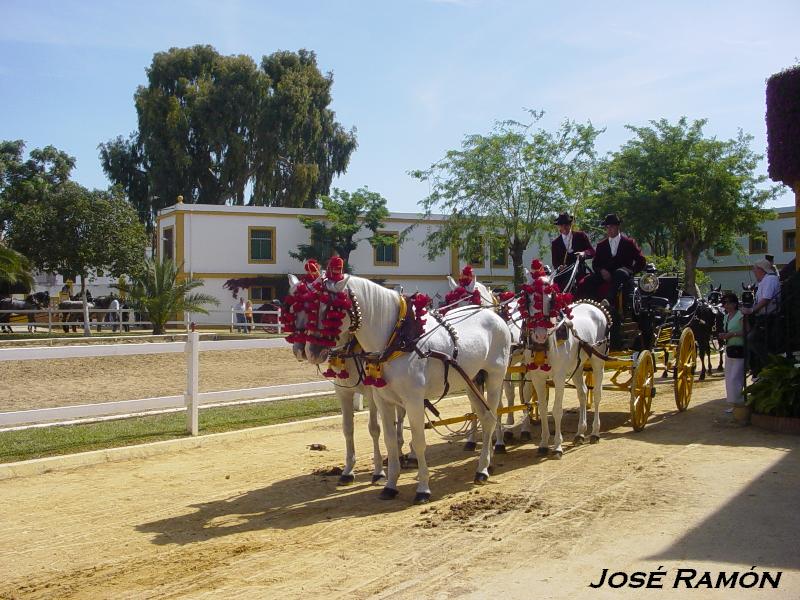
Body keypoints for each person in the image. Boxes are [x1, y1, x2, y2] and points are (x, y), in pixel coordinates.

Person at [586, 213, 646, 306]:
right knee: (589, 280)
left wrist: (631, 271)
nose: (609, 229)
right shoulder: (601, 245)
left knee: (620, 273)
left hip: (623, 274)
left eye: (612, 226)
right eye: (607, 227)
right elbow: (595, 263)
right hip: (606, 274)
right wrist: (602, 271)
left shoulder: (629, 243)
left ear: (618, 226)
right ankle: (592, 305)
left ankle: (607, 300)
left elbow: (641, 261)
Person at [741, 258, 781, 377]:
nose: (754, 272)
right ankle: (756, 366)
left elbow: (766, 299)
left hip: (769, 317)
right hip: (762, 316)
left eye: (755, 270)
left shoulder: (770, 280)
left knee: (752, 338)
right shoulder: (764, 281)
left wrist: (752, 310)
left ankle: (769, 364)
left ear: (761, 270)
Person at [550, 212, 594, 293]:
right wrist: (559, 267)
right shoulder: (555, 243)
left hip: (579, 269)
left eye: (566, 224)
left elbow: (592, 251)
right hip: (563, 272)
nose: (564, 227)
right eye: (562, 225)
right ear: (559, 227)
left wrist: (584, 253)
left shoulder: (580, 236)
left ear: (570, 224)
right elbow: (555, 262)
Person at [718, 292, 745, 412]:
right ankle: (733, 404)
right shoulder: (725, 317)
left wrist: (732, 334)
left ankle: (740, 403)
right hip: (729, 349)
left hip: (739, 349)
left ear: (735, 304)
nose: (727, 305)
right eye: (725, 303)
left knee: (736, 377)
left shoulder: (740, 315)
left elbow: (746, 331)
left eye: (729, 302)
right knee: (729, 377)